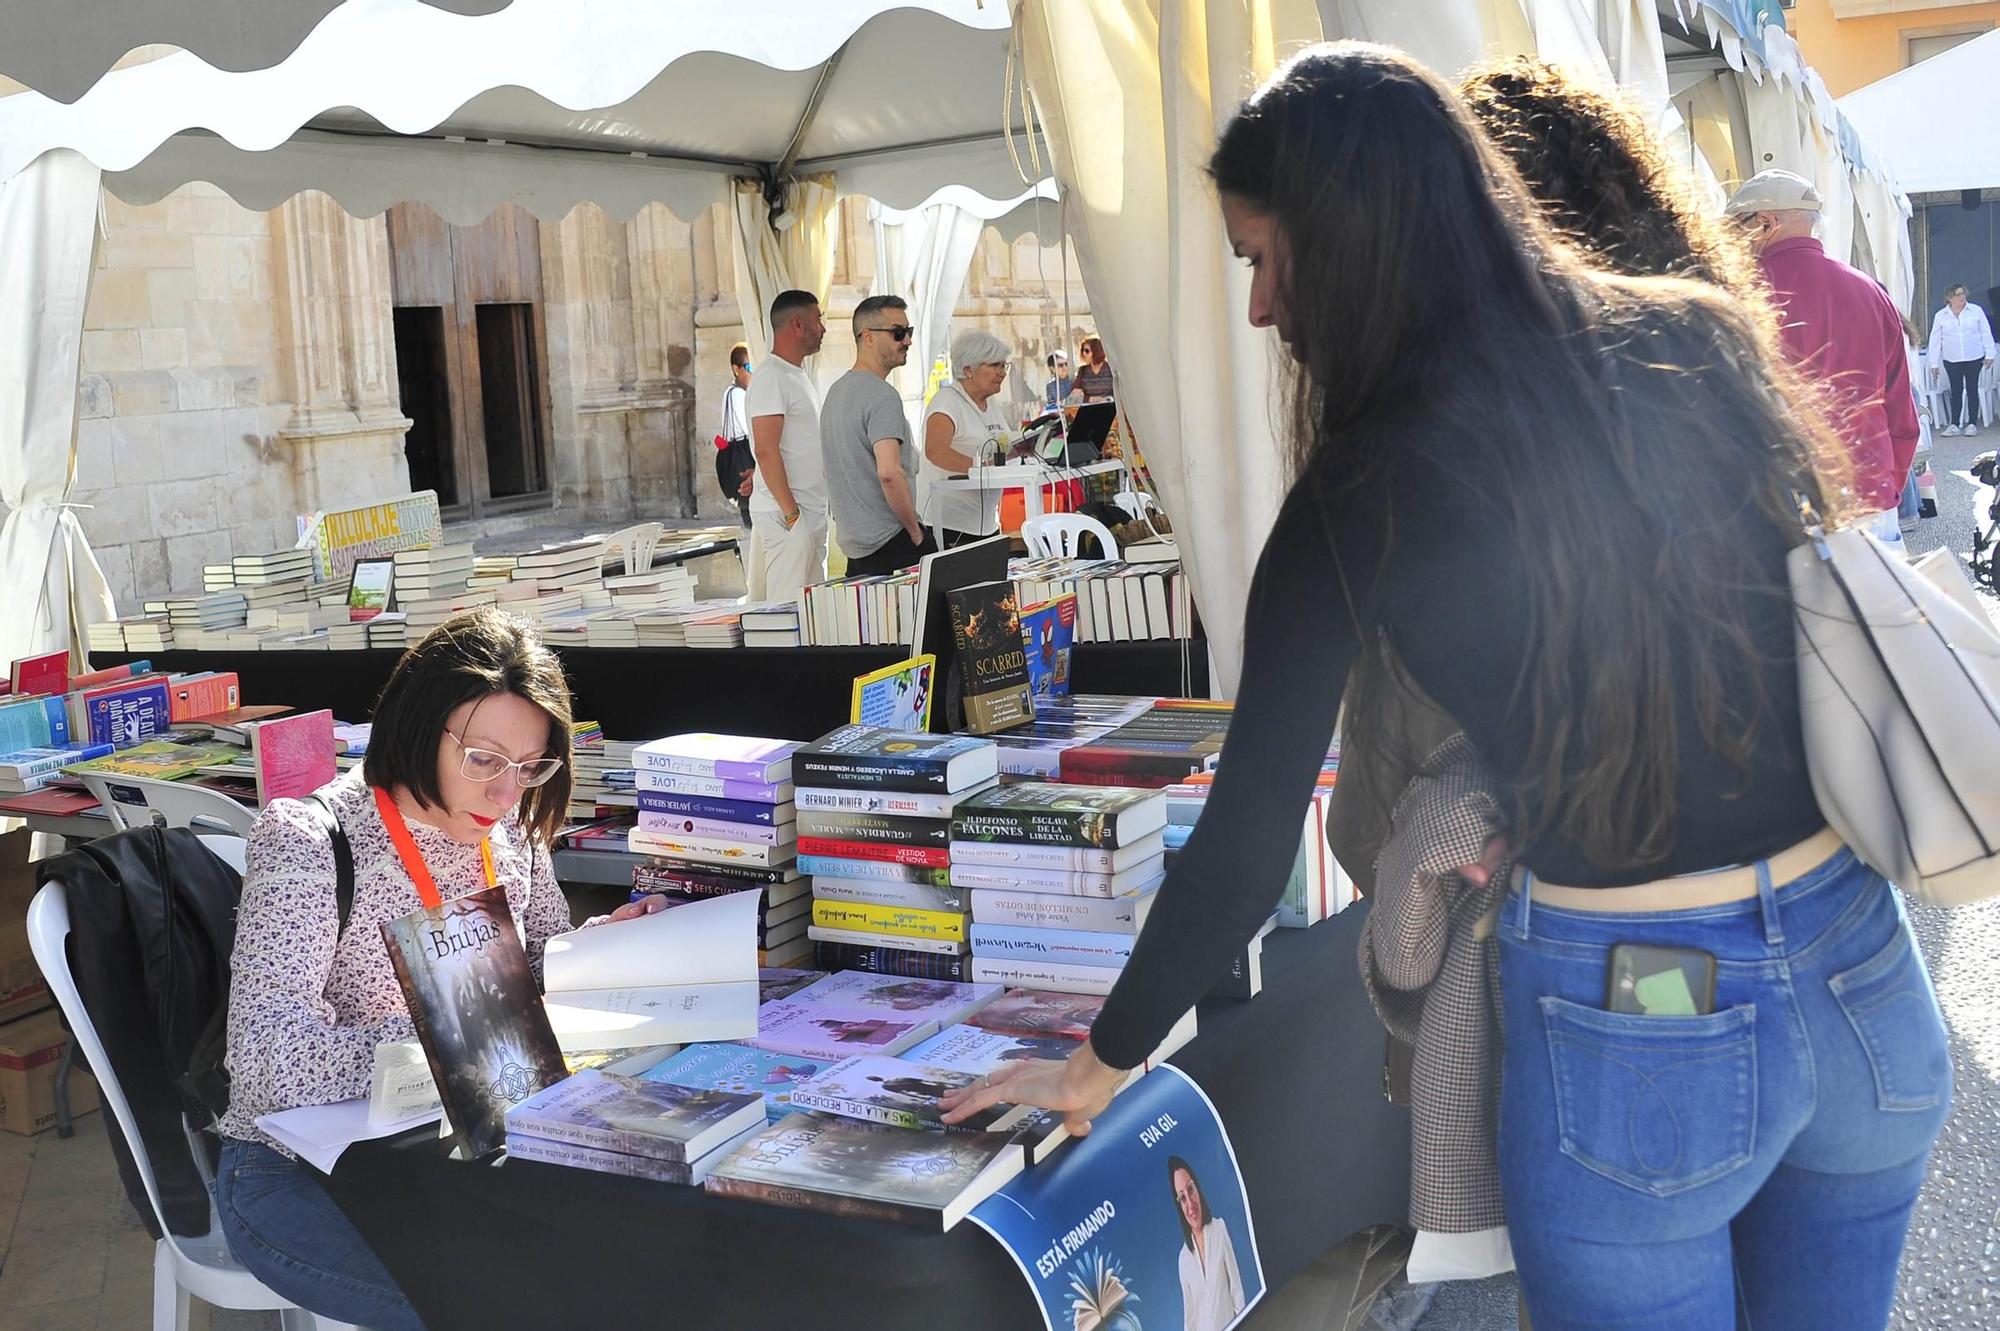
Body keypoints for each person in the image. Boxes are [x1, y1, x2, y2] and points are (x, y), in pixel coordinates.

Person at [945, 43, 1950, 1331]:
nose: (1256, 307)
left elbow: (1246, 844)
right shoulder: (1695, 336)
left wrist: (1100, 1060)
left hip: (1639, 1007)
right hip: (1855, 961)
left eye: (1260, 257)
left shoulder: (1352, 496)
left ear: (1346, 241)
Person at [214, 608, 666, 1329]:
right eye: (483, 759)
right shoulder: (309, 841)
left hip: (458, 1145)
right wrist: (457, 1037)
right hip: (299, 1172)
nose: (505, 792)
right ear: (419, 724)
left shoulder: (509, 830)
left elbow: (535, 961)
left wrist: (599, 947)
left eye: (530, 766)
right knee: (490, 1308)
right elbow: (264, 1059)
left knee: (619, 1271)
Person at [1726, 169, 1920, 528]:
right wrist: (1887, 483)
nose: (1733, 241)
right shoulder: (1871, 292)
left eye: (1736, 228)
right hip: (1871, 499)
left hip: (1782, 506)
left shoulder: (1741, 297)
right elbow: (1901, 411)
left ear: (1766, 222)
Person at [821, 294, 933, 577]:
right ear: (867, 337)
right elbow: (889, 472)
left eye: (909, 332)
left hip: (855, 548)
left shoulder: (835, 392)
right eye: (898, 333)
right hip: (891, 542)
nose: (907, 341)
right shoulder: (882, 396)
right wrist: (916, 532)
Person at [747, 289, 830, 601]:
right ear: (797, 325)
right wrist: (793, 516)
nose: (823, 328)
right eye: (818, 320)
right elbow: (766, 450)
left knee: (810, 612)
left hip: (804, 511)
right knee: (787, 612)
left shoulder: (794, 375)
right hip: (789, 516)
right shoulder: (772, 376)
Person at [920, 329, 1017, 546]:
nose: (1002, 372)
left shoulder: (990, 402)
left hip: (986, 524)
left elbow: (1004, 445)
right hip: (950, 525)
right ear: (968, 370)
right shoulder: (947, 401)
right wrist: (982, 469)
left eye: (1004, 365)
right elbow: (935, 451)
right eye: (994, 365)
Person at [1169, 1155, 1245, 1331]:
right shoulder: (1183, 1259)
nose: (1190, 1203)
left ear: (1198, 1188)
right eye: (1182, 1198)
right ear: (1179, 1205)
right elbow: (1190, 1319)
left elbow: (1236, 1288)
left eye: (1190, 1190)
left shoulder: (1219, 1228)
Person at [1926, 283, 1994, 437]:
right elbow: (1935, 340)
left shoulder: (1975, 311)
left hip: (1973, 357)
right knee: (1955, 391)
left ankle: (1971, 423)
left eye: (1963, 293)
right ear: (1949, 298)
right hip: (1952, 358)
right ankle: (1955, 424)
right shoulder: (1941, 316)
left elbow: (1985, 332)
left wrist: (1990, 353)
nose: (1962, 297)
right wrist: (1934, 363)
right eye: (1958, 295)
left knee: (1972, 390)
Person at [716, 342, 756, 530]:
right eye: (749, 367)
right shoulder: (738, 395)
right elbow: (750, 430)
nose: (752, 372)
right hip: (745, 459)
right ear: (736, 369)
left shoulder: (734, 393)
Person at [1074, 335, 1115, 401]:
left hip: (1110, 407)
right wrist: (1090, 399)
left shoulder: (1111, 368)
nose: (1084, 353)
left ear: (1097, 351)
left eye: (1087, 351)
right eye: (1082, 350)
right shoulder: (1082, 370)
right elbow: (1076, 394)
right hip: (1090, 408)